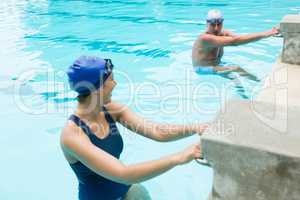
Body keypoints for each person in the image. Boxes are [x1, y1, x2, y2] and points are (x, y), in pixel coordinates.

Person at [60, 56, 208, 200]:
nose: (115, 84)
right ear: (97, 88)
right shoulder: (72, 135)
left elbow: (158, 132)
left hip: (128, 191)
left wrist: (195, 128)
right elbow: (123, 174)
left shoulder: (112, 110)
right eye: (111, 80)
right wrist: (179, 157)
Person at [192, 9, 279, 80]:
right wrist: (267, 33)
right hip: (202, 68)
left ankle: (246, 93)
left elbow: (241, 39)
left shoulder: (223, 33)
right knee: (235, 68)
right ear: (207, 24)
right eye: (213, 24)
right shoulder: (205, 38)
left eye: (219, 24)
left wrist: (273, 34)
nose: (216, 28)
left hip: (217, 64)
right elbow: (235, 41)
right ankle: (258, 82)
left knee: (233, 77)